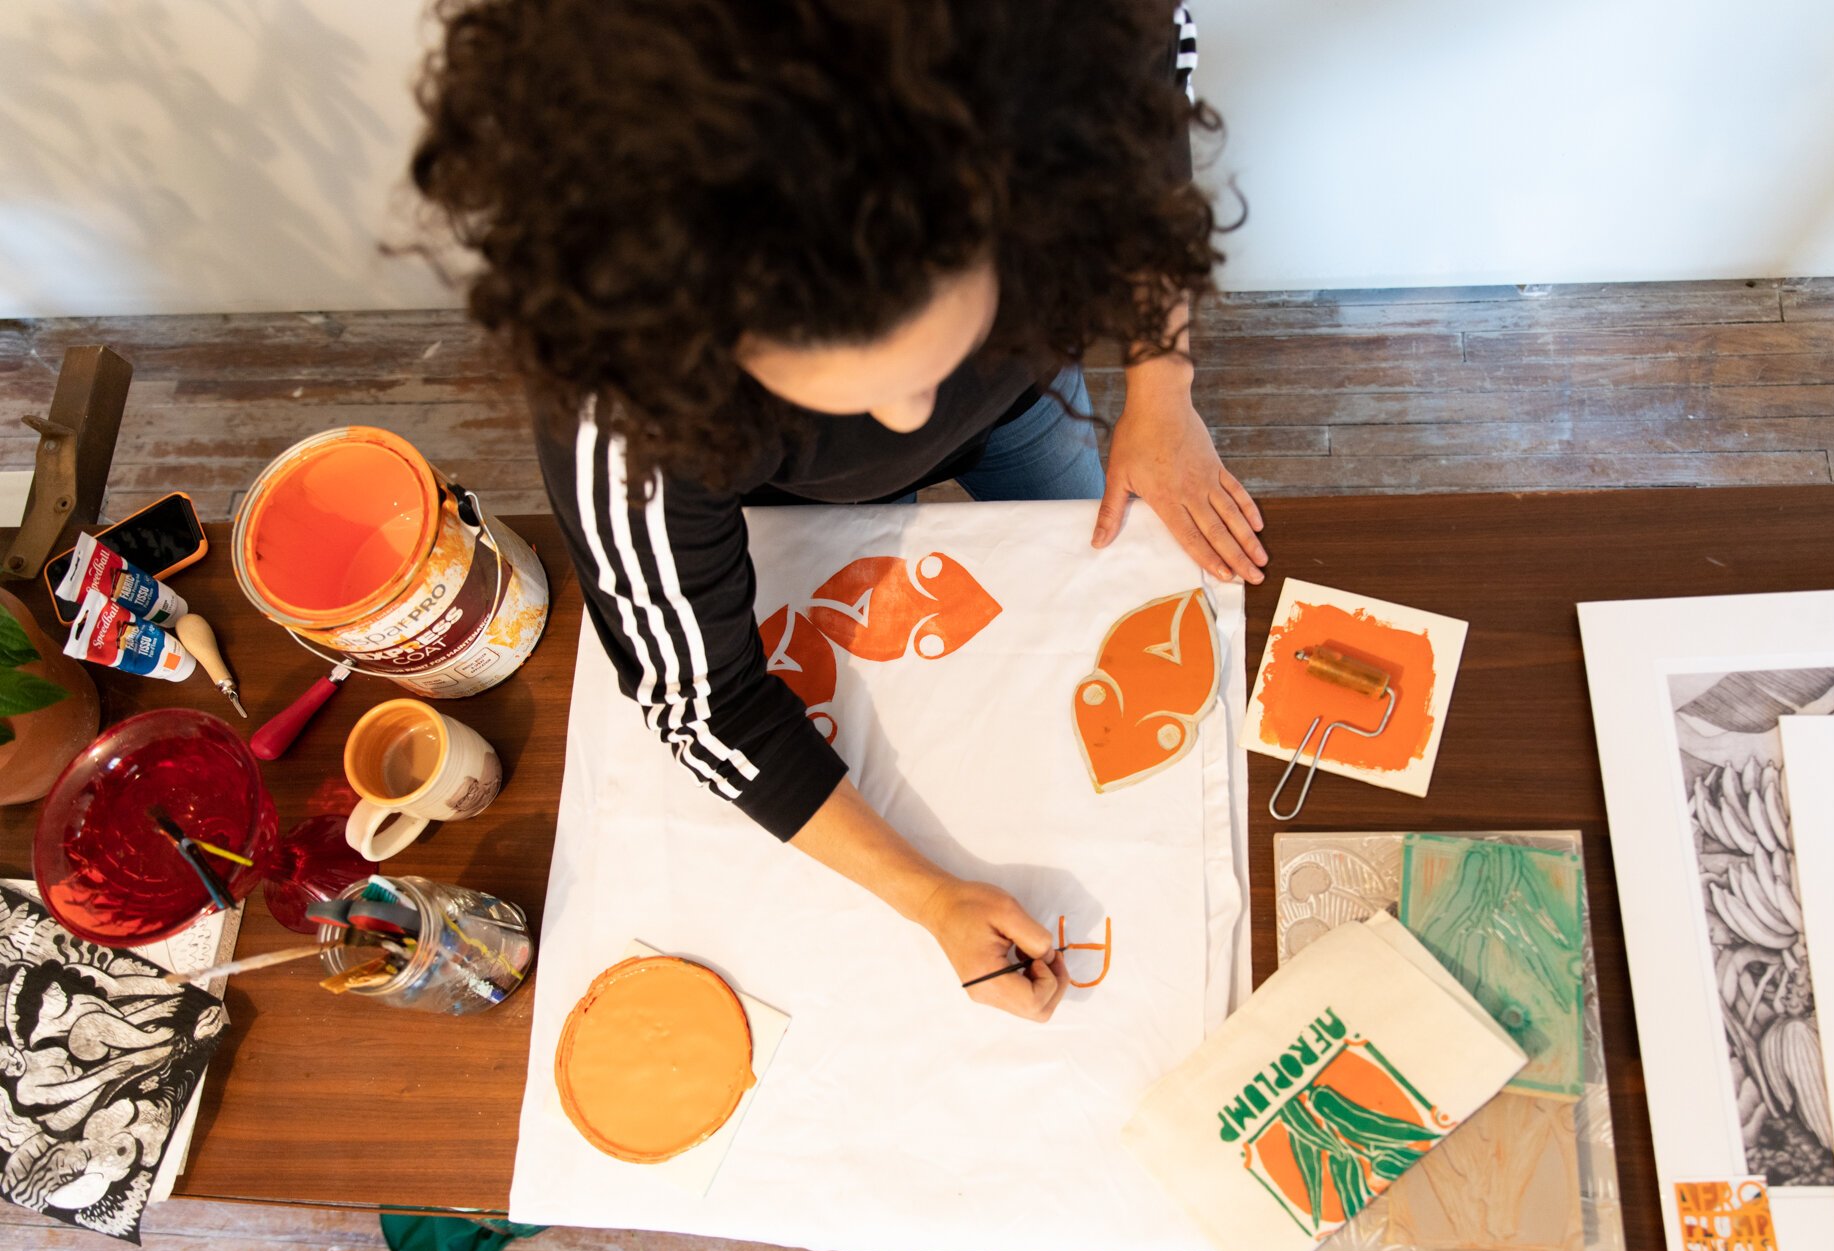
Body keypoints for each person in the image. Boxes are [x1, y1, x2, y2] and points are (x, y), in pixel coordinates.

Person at [411, 0, 1262, 1023]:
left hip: (1028, 392)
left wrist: (1160, 386)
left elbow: (1148, 112)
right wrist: (926, 895)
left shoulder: (1057, 56)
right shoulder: (628, 410)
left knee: (1099, 579)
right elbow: (702, 699)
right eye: (852, 386)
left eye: (943, 339)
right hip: (793, 499)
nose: (914, 419)